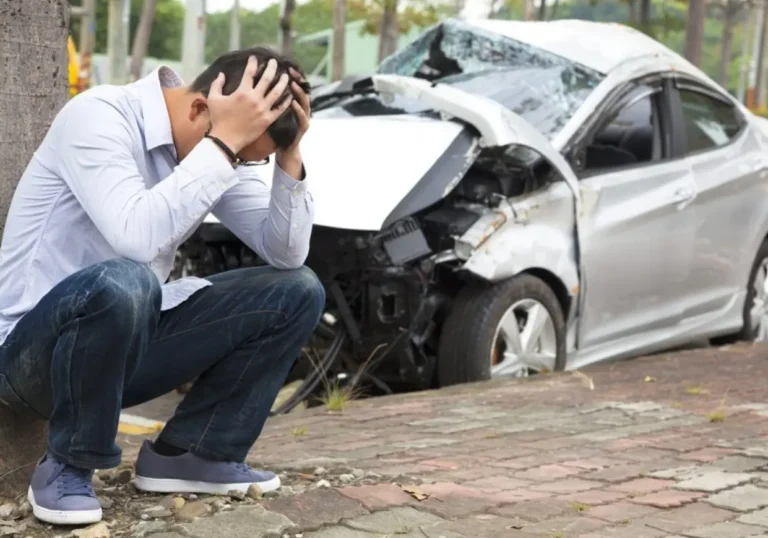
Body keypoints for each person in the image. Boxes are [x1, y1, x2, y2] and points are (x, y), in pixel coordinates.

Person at [0, 47, 324, 526]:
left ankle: (193, 453)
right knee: (127, 280)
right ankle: (68, 465)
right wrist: (225, 145)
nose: (236, 164)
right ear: (200, 108)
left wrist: (288, 155)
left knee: (297, 290)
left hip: (121, 353)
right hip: (32, 359)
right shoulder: (99, 116)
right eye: (239, 154)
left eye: (246, 159)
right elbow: (135, 238)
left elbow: (287, 253)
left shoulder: (217, 143)